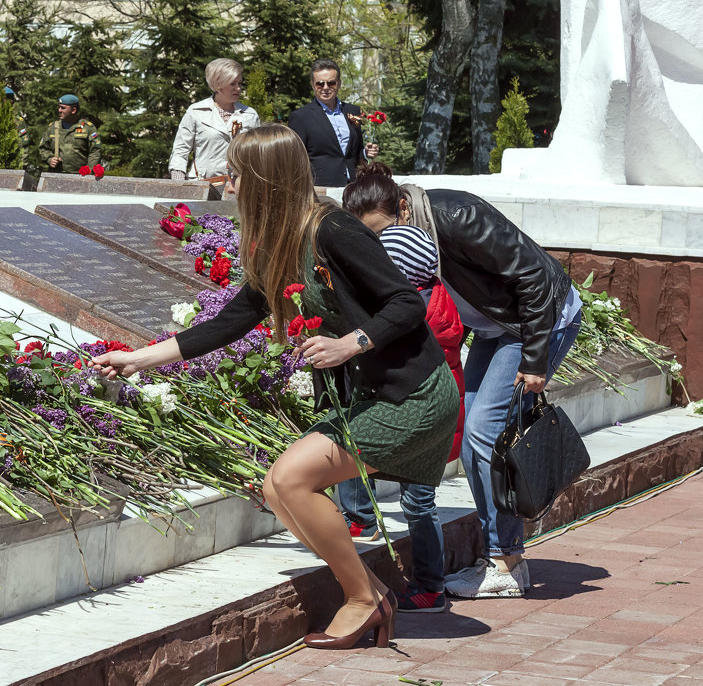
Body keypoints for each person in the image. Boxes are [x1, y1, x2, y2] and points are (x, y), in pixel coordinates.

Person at [92, 125, 459, 649]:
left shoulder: (334, 229)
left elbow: (404, 302)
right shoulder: (280, 242)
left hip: (414, 395)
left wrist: (350, 343)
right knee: (277, 488)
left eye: (236, 175)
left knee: (290, 480)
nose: (229, 185)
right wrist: (138, 359)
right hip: (376, 396)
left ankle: (364, 600)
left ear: (266, 178)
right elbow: (231, 321)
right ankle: (371, 595)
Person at [364, 164, 583, 598]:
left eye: (384, 230)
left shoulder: (455, 214)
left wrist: (535, 361)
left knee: (486, 431)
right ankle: (503, 559)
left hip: (539, 322)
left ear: (402, 207)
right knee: (472, 439)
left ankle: (505, 562)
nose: (384, 244)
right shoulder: (412, 232)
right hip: (496, 329)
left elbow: (533, 278)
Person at [336, 166, 468, 614]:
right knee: (366, 455)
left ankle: (429, 584)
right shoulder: (428, 288)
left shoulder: (412, 309)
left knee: (416, 497)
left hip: (420, 408)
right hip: (419, 404)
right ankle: (365, 523)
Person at [287, 60, 379, 187]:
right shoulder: (301, 117)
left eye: (331, 83)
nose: (325, 88)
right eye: (320, 84)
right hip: (320, 187)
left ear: (339, 83)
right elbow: (295, 159)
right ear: (313, 85)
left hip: (353, 185)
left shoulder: (353, 111)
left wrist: (365, 153)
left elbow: (355, 149)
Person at [168, 58, 261, 180]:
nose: (238, 88)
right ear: (218, 84)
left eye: (240, 83)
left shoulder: (250, 115)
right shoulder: (196, 111)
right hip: (202, 183)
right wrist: (178, 179)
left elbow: (258, 153)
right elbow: (181, 149)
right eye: (232, 84)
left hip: (238, 184)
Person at [35, 94, 102, 173]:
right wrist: (49, 159)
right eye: (59, 107)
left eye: (63, 108)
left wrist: (89, 170)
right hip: (56, 175)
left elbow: (95, 152)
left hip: (80, 175)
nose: (59, 110)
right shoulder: (53, 128)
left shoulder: (87, 128)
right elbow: (43, 148)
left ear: (73, 110)